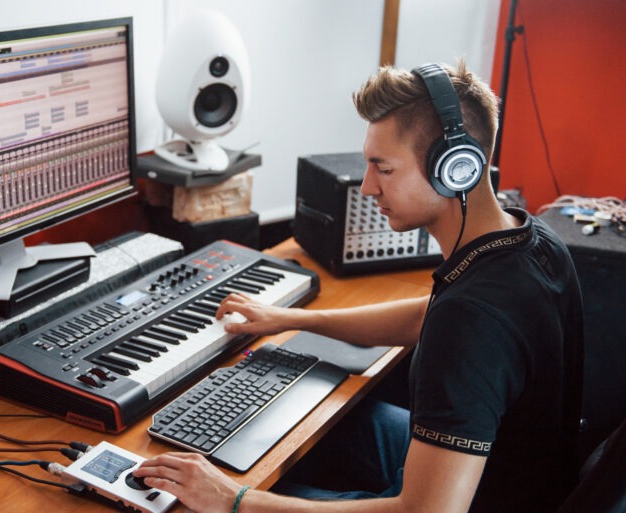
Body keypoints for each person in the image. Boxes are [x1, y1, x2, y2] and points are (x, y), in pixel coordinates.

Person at [134, 60, 584, 513]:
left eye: (383, 169)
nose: (367, 187)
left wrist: (235, 502)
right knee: (323, 422)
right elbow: (427, 316)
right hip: (509, 477)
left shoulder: (471, 319)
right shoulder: (530, 241)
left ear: (456, 169)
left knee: (213, 501)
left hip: (464, 500)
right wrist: (289, 318)